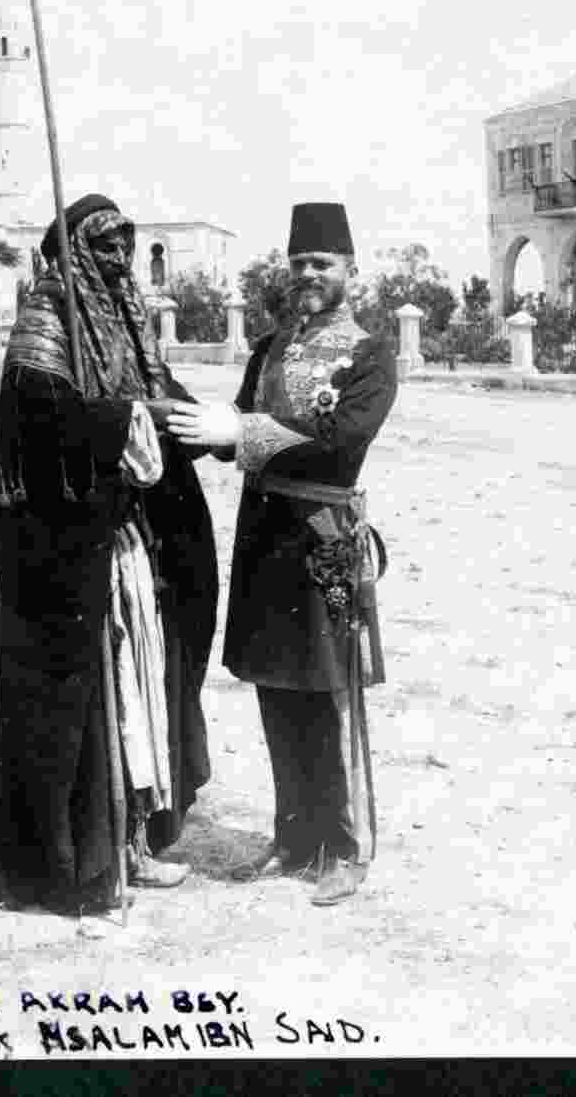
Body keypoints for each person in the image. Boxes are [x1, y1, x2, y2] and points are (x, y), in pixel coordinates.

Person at [0, 193, 218, 916]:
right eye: (104, 246)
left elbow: (159, 392)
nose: (119, 259)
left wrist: (200, 422)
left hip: (126, 535)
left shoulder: (123, 316)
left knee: (138, 686)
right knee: (85, 699)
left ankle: (132, 843)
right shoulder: (46, 317)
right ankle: (75, 865)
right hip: (66, 544)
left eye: (126, 244)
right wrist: (120, 421)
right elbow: (42, 417)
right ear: (72, 251)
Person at [167, 201, 397, 907]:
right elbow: (229, 426)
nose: (308, 274)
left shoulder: (370, 352)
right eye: (299, 262)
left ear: (349, 271)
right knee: (275, 684)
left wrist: (242, 431)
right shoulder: (267, 348)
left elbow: (340, 438)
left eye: (322, 262)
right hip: (266, 538)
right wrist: (172, 412)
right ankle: (293, 835)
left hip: (327, 541)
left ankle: (345, 847)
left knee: (330, 692)